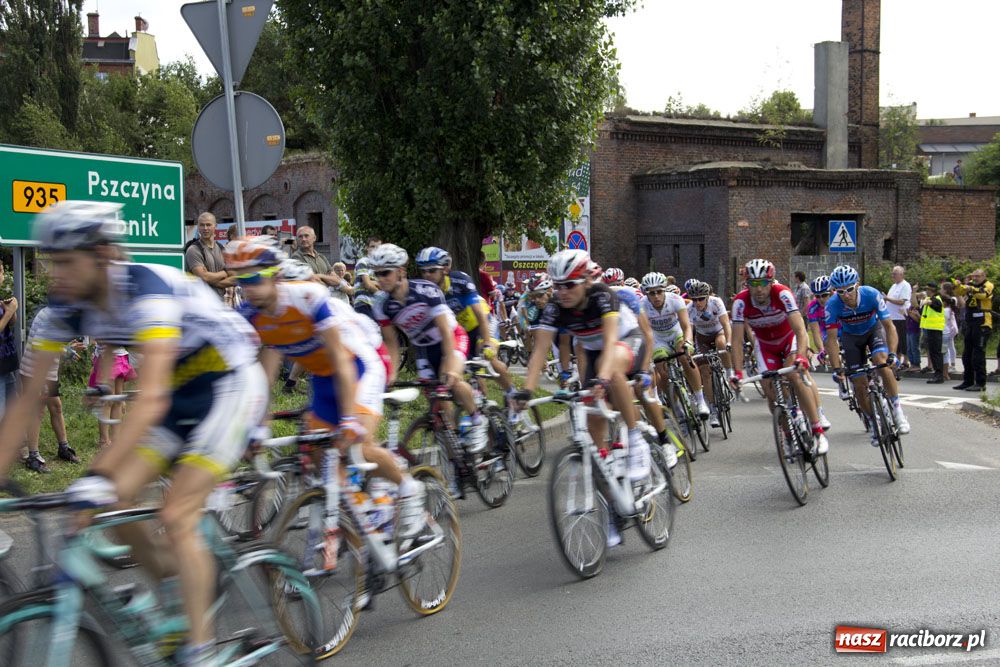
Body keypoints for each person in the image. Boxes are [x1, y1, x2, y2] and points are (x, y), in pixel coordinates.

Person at [0, 201, 269, 665]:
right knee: (117, 505)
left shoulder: (147, 290)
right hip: (181, 391)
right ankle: (180, 581)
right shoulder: (61, 311)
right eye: (50, 262)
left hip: (229, 383)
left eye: (65, 262)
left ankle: (200, 648)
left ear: (103, 254)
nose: (54, 276)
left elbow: (151, 398)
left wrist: (98, 472)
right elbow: (26, 400)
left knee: (178, 515)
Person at [225, 239, 426, 538]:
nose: (248, 287)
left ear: (275, 276)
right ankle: (362, 509)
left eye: (254, 278)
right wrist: (254, 425)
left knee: (359, 441)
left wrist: (347, 419)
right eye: (241, 280)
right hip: (322, 376)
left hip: (358, 364)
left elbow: (342, 362)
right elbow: (262, 378)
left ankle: (409, 489)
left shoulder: (307, 297)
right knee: (318, 451)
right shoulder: (252, 315)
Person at [515, 250, 663, 507]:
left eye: (569, 284)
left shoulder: (603, 296)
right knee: (594, 419)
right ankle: (612, 502)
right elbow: (539, 351)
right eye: (558, 286)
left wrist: (602, 379)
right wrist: (526, 392)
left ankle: (636, 440)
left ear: (585, 281)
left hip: (626, 342)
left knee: (613, 369)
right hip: (595, 353)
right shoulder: (555, 307)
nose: (562, 292)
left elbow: (609, 342)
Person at [370, 244, 489, 453]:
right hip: (424, 349)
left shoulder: (426, 291)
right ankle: (454, 440)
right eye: (377, 274)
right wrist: (391, 374)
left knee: (452, 380)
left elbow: (445, 331)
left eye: (385, 273)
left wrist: (451, 366)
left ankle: (478, 420)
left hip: (451, 338)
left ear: (401, 272)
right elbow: (392, 343)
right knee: (435, 398)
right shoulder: (381, 303)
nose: (380, 279)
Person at [729, 259, 830, 455]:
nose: (759, 290)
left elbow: (801, 330)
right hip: (766, 346)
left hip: (788, 340)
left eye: (764, 284)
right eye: (753, 284)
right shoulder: (740, 302)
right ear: (747, 284)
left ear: (771, 282)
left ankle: (818, 430)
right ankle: (789, 434)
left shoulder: (782, 293)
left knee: (794, 376)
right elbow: (737, 340)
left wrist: (801, 357)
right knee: (770, 390)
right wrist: (738, 373)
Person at [415, 246, 516, 415]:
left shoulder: (460, 281)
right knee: (462, 375)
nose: (427, 276)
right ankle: (482, 415)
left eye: (432, 270)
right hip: (462, 332)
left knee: (488, 357)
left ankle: (513, 394)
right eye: (423, 271)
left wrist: (487, 344)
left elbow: (479, 314)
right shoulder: (425, 292)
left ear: (445, 269)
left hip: (482, 322)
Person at [823, 264, 910, 448]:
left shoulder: (871, 294)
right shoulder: (833, 305)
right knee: (859, 384)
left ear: (857, 284)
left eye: (849, 289)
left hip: (873, 331)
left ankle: (897, 410)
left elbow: (889, 327)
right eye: (840, 291)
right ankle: (872, 422)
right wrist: (837, 368)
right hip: (851, 338)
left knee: (881, 362)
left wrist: (893, 354)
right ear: (834, 291)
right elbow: (831, 340)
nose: (845, 295)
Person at [640, 271, 710, 419]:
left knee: (685, 358)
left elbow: (686, 326)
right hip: (658, 339)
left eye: (659, 291)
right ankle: (677, 407)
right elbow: (644, 333)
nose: (656, 296)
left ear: (664, 289)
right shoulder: (642, 306)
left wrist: (688, 342)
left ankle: (700, 400)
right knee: (662, 371)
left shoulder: (675, 300)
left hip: (676, 334)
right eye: (652, 293)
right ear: (646, 294)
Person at [19, 307, 81, 472]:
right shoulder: (51, 315)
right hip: (35, 370)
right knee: (37, 411)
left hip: (49, 371)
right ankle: (33, 457)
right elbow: (38, 347)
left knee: (56, 406)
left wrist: (67, 351)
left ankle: (63, 448)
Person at [686, 280, 735, 428]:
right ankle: (713, 408)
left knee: (721, 344)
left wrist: (729, 343)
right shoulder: (689, 309)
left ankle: (728, 372)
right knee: (704, 372)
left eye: (701, 299)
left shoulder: (716, 302)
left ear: (707, 297)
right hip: (702, 338)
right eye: (694, 299)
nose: (697, 302)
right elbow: (688, 330)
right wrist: (688, 346)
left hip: (718, 332)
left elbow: (726, 324)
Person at [951, 269, 993, 390]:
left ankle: (980, 383)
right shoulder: (970, 285)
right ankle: (968, 380)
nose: (974, 279)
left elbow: (983, 294)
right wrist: (958, 285)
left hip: (983, 323)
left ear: (984, 276)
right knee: (967, 354)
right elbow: (959, 292)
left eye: (977, 276)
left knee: (978, 354)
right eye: (973, 276)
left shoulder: (988, 285)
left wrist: (970, 289)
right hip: (970, 323)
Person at [184, 212, 235, 298]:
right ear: (198, 227)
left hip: (220, 302)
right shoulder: (193, 250)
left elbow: (234, 278)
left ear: (215, 226)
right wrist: (225, 273)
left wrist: (212, 279)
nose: (205, 228)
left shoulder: (222, 249)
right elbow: (204, 277)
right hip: (201, 303)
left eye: (208, 225)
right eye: (202, 225)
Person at [882, 266, 912, 368]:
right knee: (895, 340)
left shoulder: (905, 285)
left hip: (901, 317)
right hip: (892, 317)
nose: (893, 275)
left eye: (895, 274)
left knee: (903, 340)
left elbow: (902, 301)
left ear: (901, 275)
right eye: (892, 273)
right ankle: (897, 360)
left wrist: (888, 299)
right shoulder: (894, 286)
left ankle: (906, 361)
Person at [0, 264, 18, 421]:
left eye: (2, 271)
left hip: (6, 365)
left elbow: (10, 324)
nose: (2, 275)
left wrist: (10, 313)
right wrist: (9, 313)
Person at [919, 283, 945, 383]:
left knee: (936, 353)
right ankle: (937, 374)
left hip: (936, 329)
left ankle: (939, 375)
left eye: (928, 289)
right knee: (933, 352)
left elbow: (934, 304)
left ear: (932, 290)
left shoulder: (937, 299)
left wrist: (926, 299)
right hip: (930, 328)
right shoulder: (930, 299)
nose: (927, 291)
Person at [941, 282, 959, 380]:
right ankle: (951, 364)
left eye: (941, 288)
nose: (940, 290)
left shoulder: (951, 300)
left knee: (948, 347)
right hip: (948, 327)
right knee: (949, 346)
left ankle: (952, 364)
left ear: (946, 290)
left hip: (950, 327)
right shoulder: (946, 302)